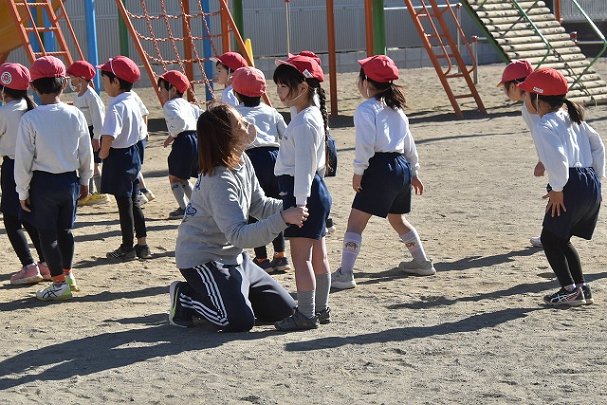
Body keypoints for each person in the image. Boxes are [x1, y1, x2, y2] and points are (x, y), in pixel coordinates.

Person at [169, 104, 308, 332]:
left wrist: (294, 207)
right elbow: (239, 236)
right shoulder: (219, 179)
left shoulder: (242, 160)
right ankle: (186, 298)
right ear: (225, 136)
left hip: (235, 258)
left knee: (286, 311)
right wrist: (284, 218)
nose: (247, 125)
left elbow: (259, 204)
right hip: (204, 259)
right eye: (239, 124)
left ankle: (231, 296)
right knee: (237, 321)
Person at [331, 55, 435, 290]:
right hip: (401, 167)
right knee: (397, 218)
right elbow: (409, 143)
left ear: (366, 82)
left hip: (379, 168)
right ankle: (422, 262)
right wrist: (414, 171)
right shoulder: (397, 109)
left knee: (355, 223)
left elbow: (366, 144)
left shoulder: (366, 109)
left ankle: (345, 274)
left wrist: (358, 171)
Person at [518, 67, 604, 306]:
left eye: (527, 95)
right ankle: (581, 288)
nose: (524, 99)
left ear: (537, 98)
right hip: (589, 180)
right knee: (561, 238)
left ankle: (569, 290)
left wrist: (557, 189)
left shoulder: (544, 125)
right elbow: (598, 146)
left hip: (569, 183)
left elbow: (558, 159)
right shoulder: (573, 118)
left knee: (549, 239)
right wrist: (596, 178)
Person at [14, 56, 93, 300]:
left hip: (43, 184)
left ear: (33, 87)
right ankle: (67, 275)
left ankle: (58, 283)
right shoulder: (74, 113)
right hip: (69, 181)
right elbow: (85, 151)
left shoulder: (30, 119)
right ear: (64, 83)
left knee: (47, 235)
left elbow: (24, 159)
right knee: (66, 231)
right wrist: (85, 180)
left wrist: (22, 191)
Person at [272, 54, 333, 330]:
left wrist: (299, 205)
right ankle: (320, 309)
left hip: (302, 193)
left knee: (301, 258)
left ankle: (306, 314)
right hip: (313, 192)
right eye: (278, 85)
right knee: (318, 255)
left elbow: (305, 168)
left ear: (304, 87)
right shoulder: (308, 114)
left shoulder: (305, 122)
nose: (279, 91)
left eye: (284, 85)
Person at [231, 66, 290, 273]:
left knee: (254, 208)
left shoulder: (235, 113)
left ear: (236, 93)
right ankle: (280, 256)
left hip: (251, 159)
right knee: (274, 207)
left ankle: (262, 258)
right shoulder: (271, 111)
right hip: (275, 158)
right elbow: (285, 135)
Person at [0, 62, 50, 285]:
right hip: (35, 167)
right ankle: (46, 262)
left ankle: (29, 266)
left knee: (11, 218)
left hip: (12, 167)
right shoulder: (32, 108)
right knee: (28, 215)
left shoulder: (5, 112)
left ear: (4, 89)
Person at [98, 56, 151, 260]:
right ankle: (142, 244)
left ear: (115, 82)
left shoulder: (115, 106)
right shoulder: (133, 99)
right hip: (133, 153)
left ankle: (127, 246)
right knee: (134, 200)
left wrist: (102, 154)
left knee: (124, 203)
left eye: (105, 79)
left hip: (119, 157)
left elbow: (109, 136)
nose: (103, 84)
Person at [498, 60, 543, 248]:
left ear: (514, 86)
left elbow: (544, 134)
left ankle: (552, 236)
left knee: (558, 195)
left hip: (559, 157)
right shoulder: (533, 102)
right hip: (557, 156)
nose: (505, 92)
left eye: (505, 88)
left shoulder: (532, 106)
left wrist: (543, 160)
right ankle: (551, 234)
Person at [157, 70, 201, 220]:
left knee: (174, 177)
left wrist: (174, 134)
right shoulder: (189, 105)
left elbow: (180, 123)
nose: (160, 92)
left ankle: (184, 208)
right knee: (183, 177)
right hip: (196, 139)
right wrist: (172, 136)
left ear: (173, 89)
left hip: (184, 142)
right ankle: (197, 207)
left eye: (162, 88)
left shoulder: (169, 105)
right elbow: (199, 116)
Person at [66, 60, 109, 206]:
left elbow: (98, 118)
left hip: (93, 132)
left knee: (95, 164)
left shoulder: (91, 96)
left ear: (81, 78)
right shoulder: (79, 95)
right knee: (86, 163)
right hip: (83, 132)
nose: (70, 80)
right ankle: (88, 193)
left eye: (72, 77)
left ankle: (102, 194)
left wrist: (96, 137)